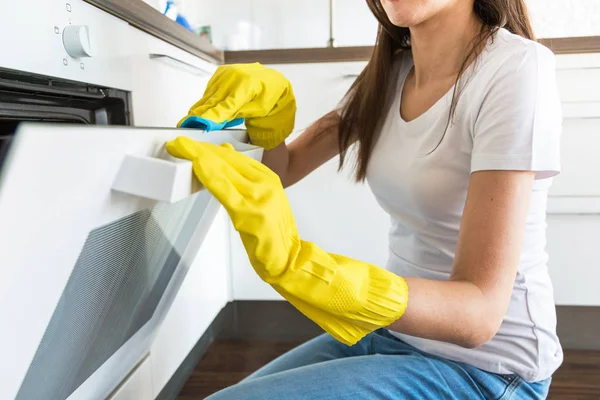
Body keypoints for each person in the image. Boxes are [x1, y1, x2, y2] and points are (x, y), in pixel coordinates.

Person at [169, 0, 563, 398]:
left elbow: (479, 316)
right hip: (399, 334)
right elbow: (281, 170)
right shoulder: (393, 73)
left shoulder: (515, 68)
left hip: (488, 369)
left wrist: (317, 273)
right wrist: (267, 121)